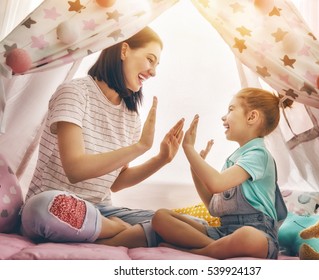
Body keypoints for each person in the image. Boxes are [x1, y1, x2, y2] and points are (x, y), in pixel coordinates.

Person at [20, 26, 185, 248]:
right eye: (150, 59)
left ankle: (105, 231)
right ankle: (119, 231)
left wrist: (161, 159)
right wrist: (140, 147)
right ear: (124, 50)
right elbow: (75, 170)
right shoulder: (74, 93)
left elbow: (116, 182)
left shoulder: (130, 116)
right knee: (39, 209)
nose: (153, 71)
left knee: (181, 224)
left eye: (156, 65)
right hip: (53, 203)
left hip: (100, 211)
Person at [151, 87, 292, 259]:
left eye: (231, 109)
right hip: (224, 232)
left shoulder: (258, 155)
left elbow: (215, 183)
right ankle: (215, 247)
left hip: (258, 233)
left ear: (251, 117)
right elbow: (212, 207)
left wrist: (189, 149)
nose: (224, 116)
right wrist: (195, 168)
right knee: (160, 217)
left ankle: (199, 251)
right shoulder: (233, 160)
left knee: (247, 236)